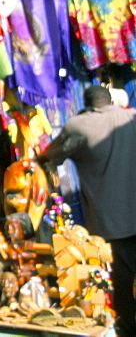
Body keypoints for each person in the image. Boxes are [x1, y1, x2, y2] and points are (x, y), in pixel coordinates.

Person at [38, 84, 136, 336]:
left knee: (121, 282)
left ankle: (127, 328)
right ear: (111, 100)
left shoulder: (78, 126)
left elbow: (48, 156)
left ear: (87, 103)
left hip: (111, 223)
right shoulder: (131, 117)